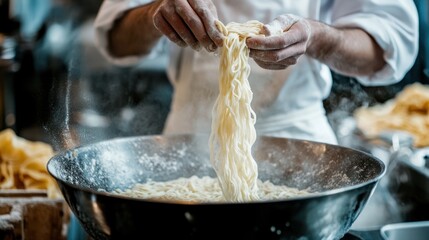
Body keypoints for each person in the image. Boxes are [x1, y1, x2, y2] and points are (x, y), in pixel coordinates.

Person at [94, 0, 418, 145]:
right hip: (187, 138)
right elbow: (116, 39)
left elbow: (390, 44)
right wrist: (155, 12)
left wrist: (317, 38)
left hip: (300, 139)